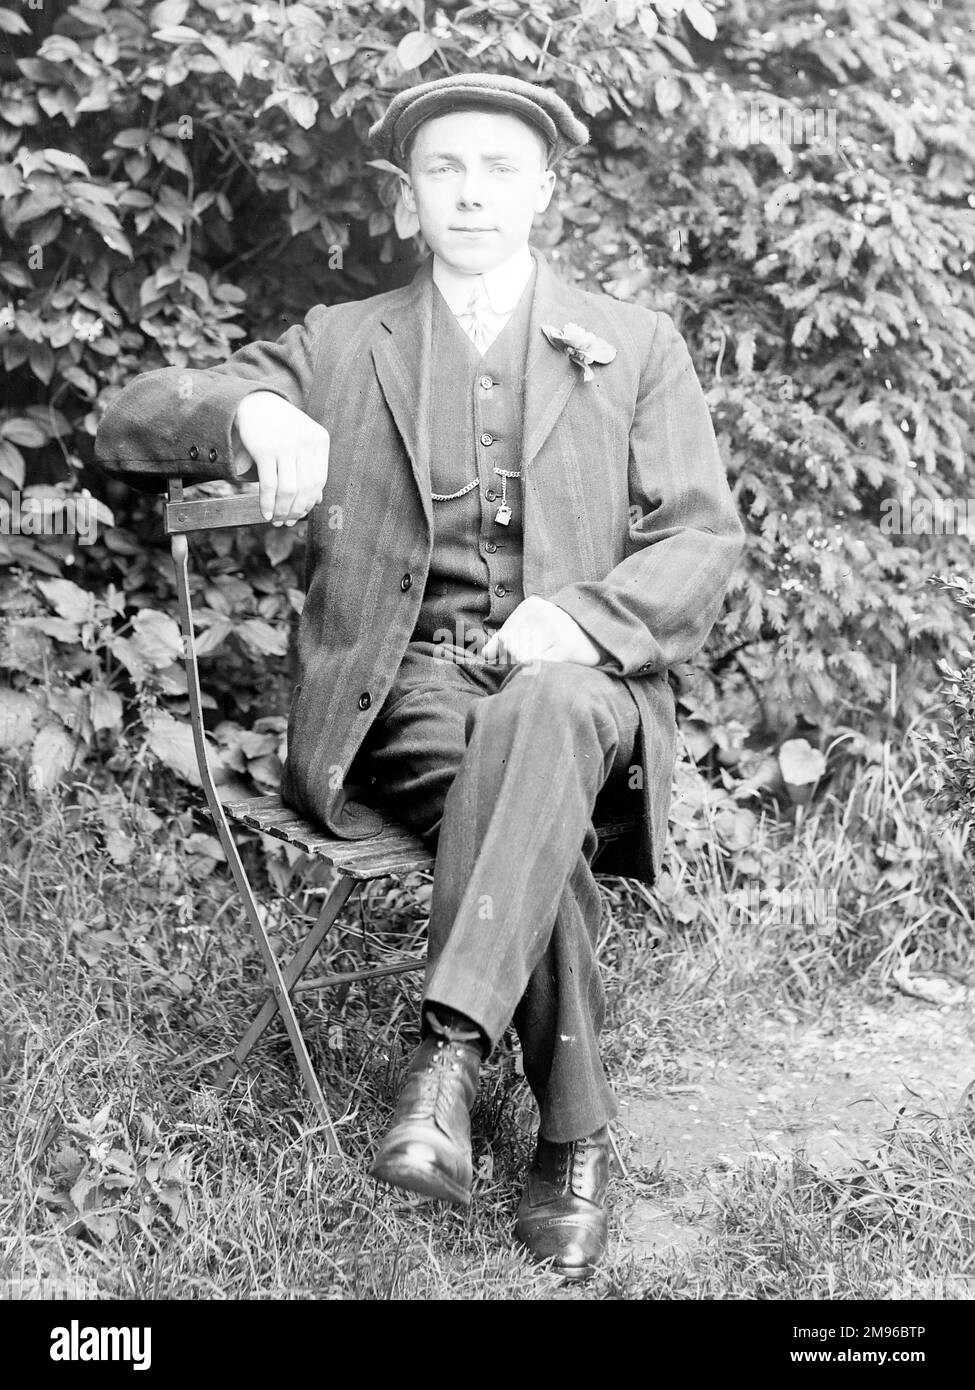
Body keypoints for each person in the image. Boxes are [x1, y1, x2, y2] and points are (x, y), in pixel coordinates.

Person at [96, 71, 744, 1281]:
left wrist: (586, 618)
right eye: (446, 168)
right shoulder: (343, 343)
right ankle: (572, 1143)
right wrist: (248, 412)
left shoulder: (637, 345)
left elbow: (705, 542)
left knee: (547, 710)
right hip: (405, 698)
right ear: (408, 199)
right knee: (519, 778)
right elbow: (128, 418)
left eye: (500, 169)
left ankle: (444, 1060)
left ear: (544, 192)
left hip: (586, 683)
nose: (474, 192)